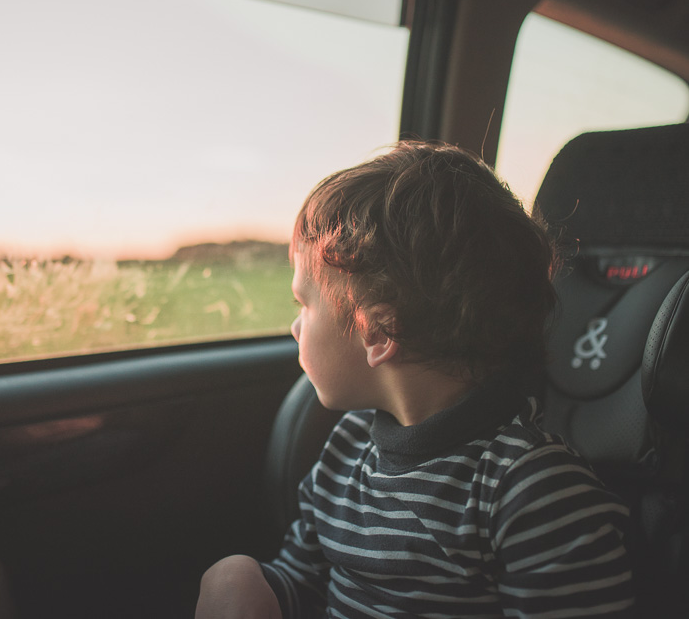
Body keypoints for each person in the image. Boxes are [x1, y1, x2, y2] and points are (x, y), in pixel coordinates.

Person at [195, 142, 633, 618]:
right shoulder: (346, 449)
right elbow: (304, 578)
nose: (295, 327)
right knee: (232, 575)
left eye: (304, 304)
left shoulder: (531, 491)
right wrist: (249, 592)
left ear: (380, 331)